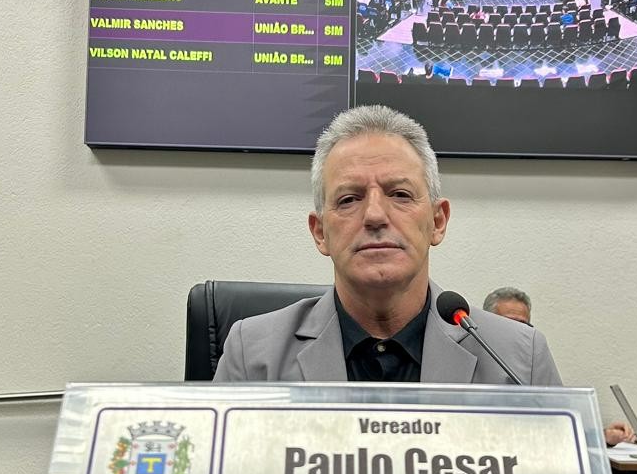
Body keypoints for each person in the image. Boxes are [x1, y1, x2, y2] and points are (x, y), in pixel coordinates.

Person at [214, 108, 561, 385]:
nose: (375, 216)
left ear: (437, 222)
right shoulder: (252, 355)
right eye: (349, 199)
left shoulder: (519, 360)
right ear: (320, 233)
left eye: (400, 194)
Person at [482, 286, 635, 446]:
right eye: (509, 324)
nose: (518, 332)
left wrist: (602, 436)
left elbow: (559, 423)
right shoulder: (472, 359)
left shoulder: (533, 361)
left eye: (524, 326)